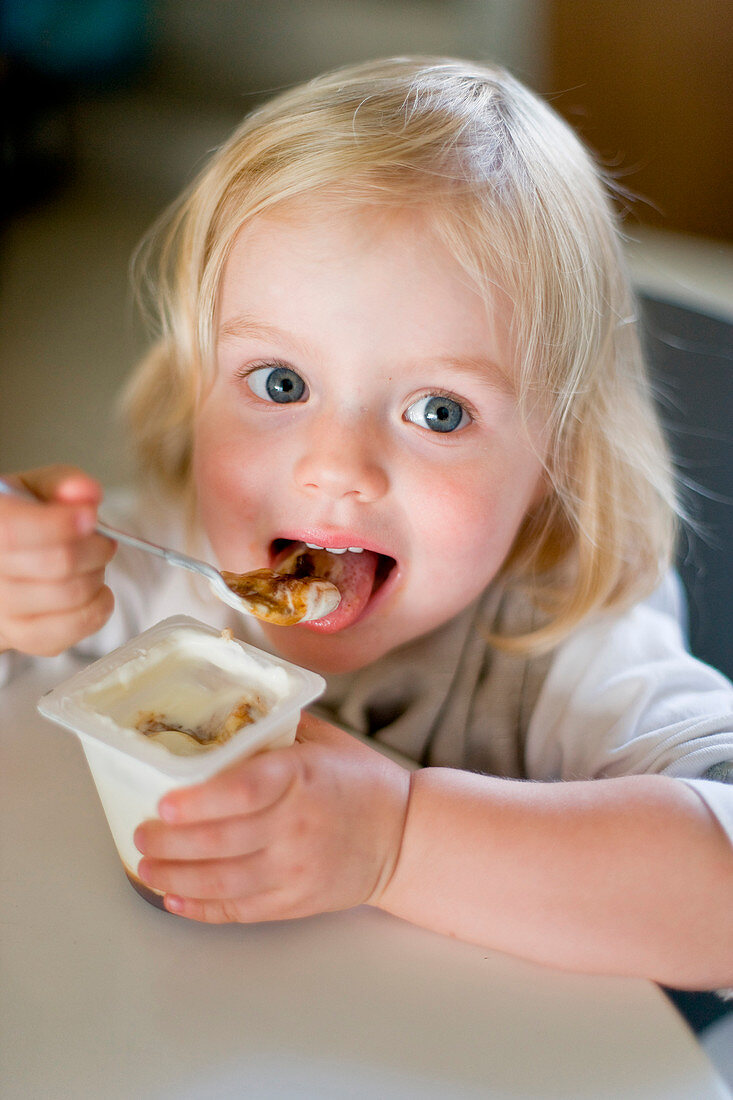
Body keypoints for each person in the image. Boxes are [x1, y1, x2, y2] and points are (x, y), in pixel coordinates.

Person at [1, 57, 731, 990]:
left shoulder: (564, 647)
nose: (333, 469)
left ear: (557, 459)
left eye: (438, 411)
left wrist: (396, 839)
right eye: (280, 384)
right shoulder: (149, 573)